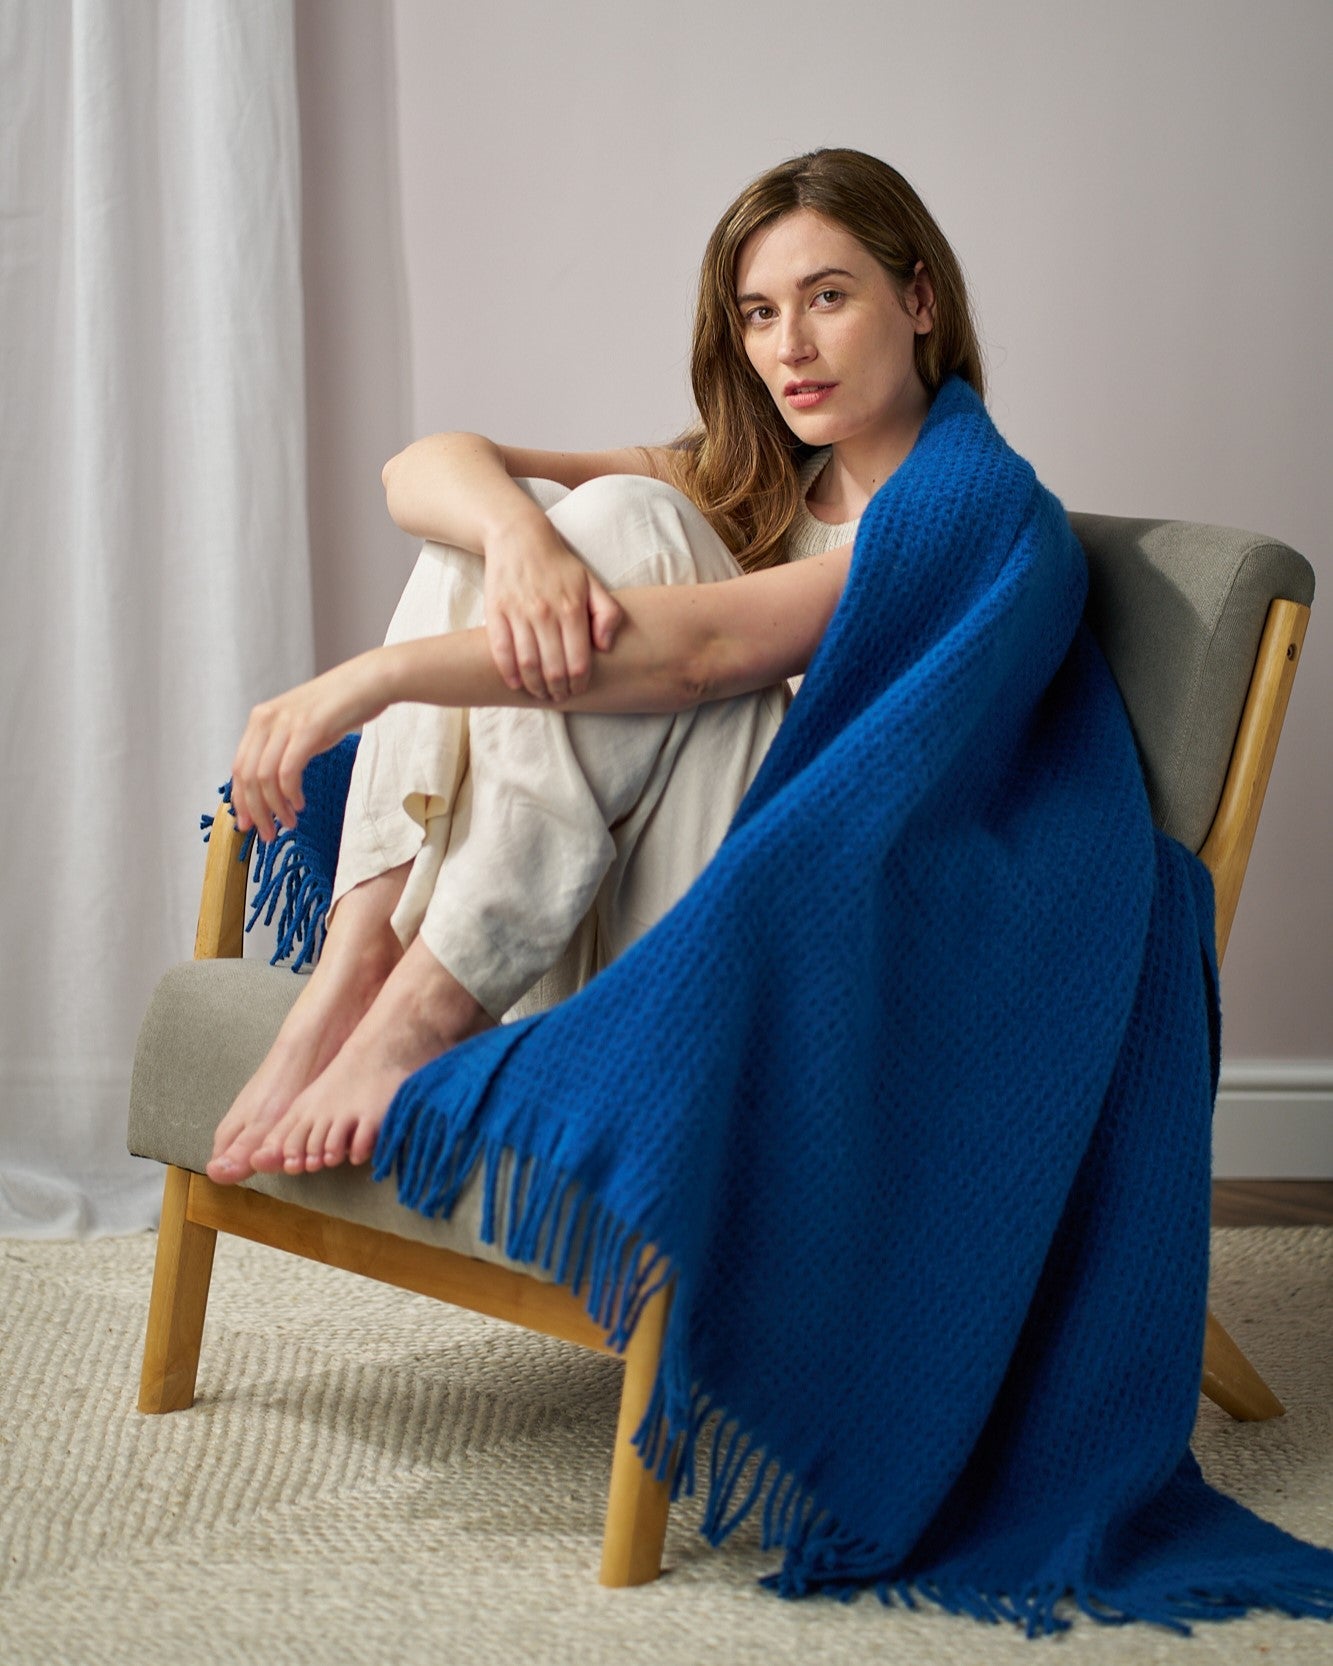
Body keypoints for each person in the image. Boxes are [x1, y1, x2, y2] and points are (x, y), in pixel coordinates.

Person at [206, 147, 984, 1187]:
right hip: (596, 894)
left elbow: (702, 654)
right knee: (489, 524)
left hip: (797, 943)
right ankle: (359, 963)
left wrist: (368, 680)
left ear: (919, 297)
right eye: (757, 314)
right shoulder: (753, 482)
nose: (789, 346)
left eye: (826, 297)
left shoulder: (961, 511)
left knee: (628, 516)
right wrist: (516, 539)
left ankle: (431, 1006)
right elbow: (419, 468)